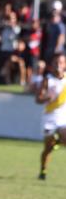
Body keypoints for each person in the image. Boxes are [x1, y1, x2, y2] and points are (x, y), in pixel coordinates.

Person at [35, 52, 66, 180]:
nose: (58, 65)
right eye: (55, 63)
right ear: (51, 65)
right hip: (50, 117)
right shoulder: (47, 80)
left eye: (61, 62)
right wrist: (47, 96)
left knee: (64, 135)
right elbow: (38, 99)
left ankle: (58, 141)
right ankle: (43, 170)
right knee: (47, 148)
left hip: (63, 116)